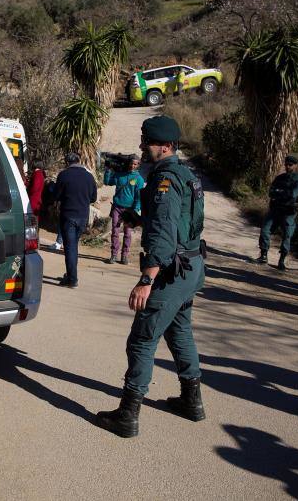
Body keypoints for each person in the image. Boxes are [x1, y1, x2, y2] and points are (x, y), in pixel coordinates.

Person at [97, 115, 206, 438]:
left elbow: (164, 231)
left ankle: (127, 416)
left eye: (149, 142)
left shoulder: (165, 180)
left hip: (171, 273)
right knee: (180, 331)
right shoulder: (185, 175)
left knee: (142, 340)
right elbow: (178, 222)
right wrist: (140, 219)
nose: (143, 147)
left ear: (167, 146)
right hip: (191, 266)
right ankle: (192, 401)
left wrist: (147, 279)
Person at [54, 152, 97, 288]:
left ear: (67, 162)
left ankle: (72, 279)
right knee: (73, 247)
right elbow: (93, 198)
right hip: (83, 217)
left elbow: (56, 195)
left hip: (68, 216)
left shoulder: (63, 175)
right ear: (79, 160)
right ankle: (71, 274)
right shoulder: (89, 177)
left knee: (70, 248)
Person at [256, 155, 298, 270]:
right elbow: (271, 192)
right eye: (286, 164)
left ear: (296, 166)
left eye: (290, 165)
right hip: (275, 209)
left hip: (288, 212)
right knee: (265, 230)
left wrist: (281, 193)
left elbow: (294, 193)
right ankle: (263, 255)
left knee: (287, 235)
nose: (287, 166)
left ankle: (281, 260)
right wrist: (282, 193)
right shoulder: (280, 178)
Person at [104, 154, 145, 264]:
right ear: (129, 163)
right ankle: (113, 255)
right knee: (115, 231)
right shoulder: (119, 175)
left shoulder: (139, 179)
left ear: (138, 165)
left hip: (130, 210)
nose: (133, 166)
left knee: (127, 233)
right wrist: (108, 170)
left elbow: (139, 196)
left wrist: (136, 209)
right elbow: (107, 182)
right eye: (131, 163)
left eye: (135, 164)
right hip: (117, 207)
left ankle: (124, 256)